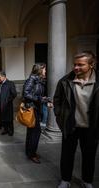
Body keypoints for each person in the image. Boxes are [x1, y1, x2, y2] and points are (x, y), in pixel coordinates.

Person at [54, 51, 98, 188]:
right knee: (67, 155)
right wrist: (60, 117)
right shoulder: (65, 81)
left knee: (89, 156)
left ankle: (87, 181)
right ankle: (65, 180)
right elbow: (57, 100)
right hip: (70, 125)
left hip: (92, 127)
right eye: (75, 64)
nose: (76, 67)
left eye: (81, 65)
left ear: (92, 65)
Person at [23, 63, 51, 164]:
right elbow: (26, 93)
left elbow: (38, 95)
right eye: (44, 69)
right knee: (35, 132)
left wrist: (45, 101)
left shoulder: (39, 80)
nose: (46, 71)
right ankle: (32, 154)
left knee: (32, 132)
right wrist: (40, 99)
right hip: (32, 109)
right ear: (39, 70)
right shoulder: (32, 79)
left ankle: (30, 152)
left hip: (36, 108)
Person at [0, 71, 17, 136]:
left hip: (7, 105)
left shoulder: (10, 83)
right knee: (3, 118)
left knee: (9, 119)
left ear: (3, 76)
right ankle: (5, 130)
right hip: (1, 104)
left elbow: (14, 94)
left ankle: (11, 131)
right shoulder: (0, 84)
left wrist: (7, 100)